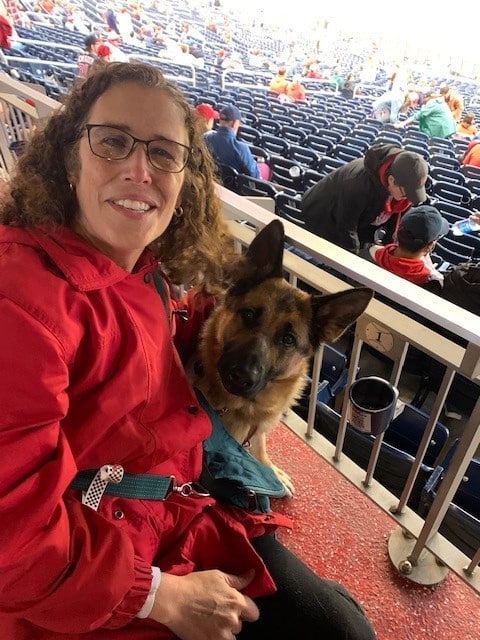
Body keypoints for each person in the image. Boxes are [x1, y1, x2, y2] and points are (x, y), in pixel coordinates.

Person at [0, 61, 376, 640]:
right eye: (113, 141)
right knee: (340, 629)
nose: (138, 169)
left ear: (185, 180)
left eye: (163, 153)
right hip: (105, 561)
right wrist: (159, 596)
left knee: (341, 623)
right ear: (68, 161)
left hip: (170, 506)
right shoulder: (19, 304)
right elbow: (14, 542)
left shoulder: (139, 268)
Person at [301, 144, 429, 254]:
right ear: (391, 180)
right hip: (323, 214)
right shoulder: (357, 185)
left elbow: (394, 224)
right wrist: (352, 263)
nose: (408, 199)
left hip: (357, 220)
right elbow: (346, 227)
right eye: (407, 194)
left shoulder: (404, 187)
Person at [368, 205, 449, 287]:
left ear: (396, 234)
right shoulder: (433, 282)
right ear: (431, 246)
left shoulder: (370, 253)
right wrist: (431, 269)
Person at [204, 104, 261, 178]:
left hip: (210, 182)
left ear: (220, 121)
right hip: (232, 188)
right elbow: (254, 175)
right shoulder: (241, 148)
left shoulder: (206, 138)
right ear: (235, 123)